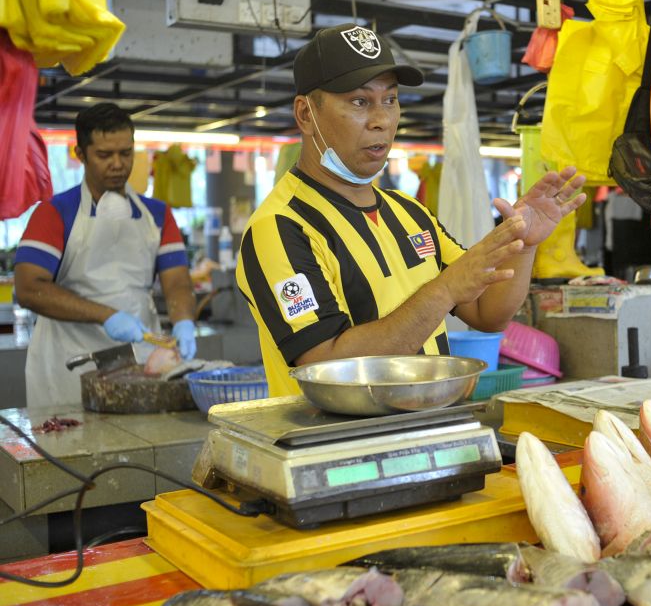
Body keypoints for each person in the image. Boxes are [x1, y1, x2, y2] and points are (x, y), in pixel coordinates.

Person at [236, 23, 586, 396]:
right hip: (335, 450)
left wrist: (524, 243)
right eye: (359, 101)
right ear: (306, 114)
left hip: (426, 437)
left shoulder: (409, 213)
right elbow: (326, 366)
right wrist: (445, 289)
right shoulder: (280, 228)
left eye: (390, 99)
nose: (382, 120)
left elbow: (488, 312)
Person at [14, 103, 198, 408]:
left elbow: (177, 282)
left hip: (138, 363)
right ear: (80, 154)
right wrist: (107, 315)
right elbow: (29, 288)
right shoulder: (55, 213)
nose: (117, 164)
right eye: (104, 155)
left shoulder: (157, 215)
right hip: (68, 365)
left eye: (126, 153)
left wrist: (183, 321)